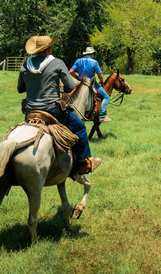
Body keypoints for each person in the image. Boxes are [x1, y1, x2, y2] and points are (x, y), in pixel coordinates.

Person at [18, 35, 96, 175]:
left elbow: (20, 88)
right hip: (51, 111)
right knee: (80, 127)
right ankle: (84, 162)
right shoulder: (57, 63)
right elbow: (70, 86)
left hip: (30, 112)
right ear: (48, 49)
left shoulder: (25, 65)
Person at [70, 46, 111, 123]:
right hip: (91, 84)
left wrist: (78, 78)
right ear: (92, 54)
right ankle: (102, 115)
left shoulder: (78, 61)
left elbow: (71, 71)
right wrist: (101, 81)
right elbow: (100, 75)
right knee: (106, 96)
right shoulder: (94, 62)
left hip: (80, 83)